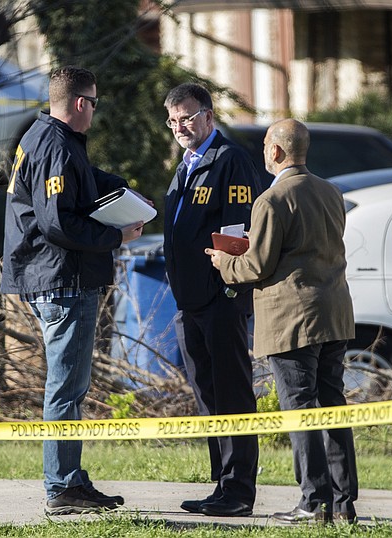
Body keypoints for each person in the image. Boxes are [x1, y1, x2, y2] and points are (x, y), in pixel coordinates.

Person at [1, 65, 148, 516]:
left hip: (55, 278)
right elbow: (58, 221)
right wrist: (116, 238)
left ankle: (71, 481)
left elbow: (70, 188)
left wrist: (115, 187)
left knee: (70, 387)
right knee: (65, 389)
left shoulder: (44, 139)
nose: (94, 112)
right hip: (63, 281)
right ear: (81, 103)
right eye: (95, 103)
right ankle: (62, 487)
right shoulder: (56, 146)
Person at [206, 118, 359, 524]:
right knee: (333, 405)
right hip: (334, 313)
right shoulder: (331, 191)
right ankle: (343, 504)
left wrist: (225, 262)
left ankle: (312, 501)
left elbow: (256, 265)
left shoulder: (271, 201)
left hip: (292, 319)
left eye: (264, 149)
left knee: (300, 408)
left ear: (275, 151)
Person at [163, 83, 261, 517]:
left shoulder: (230, 160)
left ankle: (239, 490)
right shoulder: (186, 164)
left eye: (186, 117)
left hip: (220, 297)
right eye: (172, 120)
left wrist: (229, 288)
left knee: (232, 394)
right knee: (207, 395)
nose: (179, 127)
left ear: (207, 115)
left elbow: (238, 231)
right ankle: (220, 484)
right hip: (190, 301)